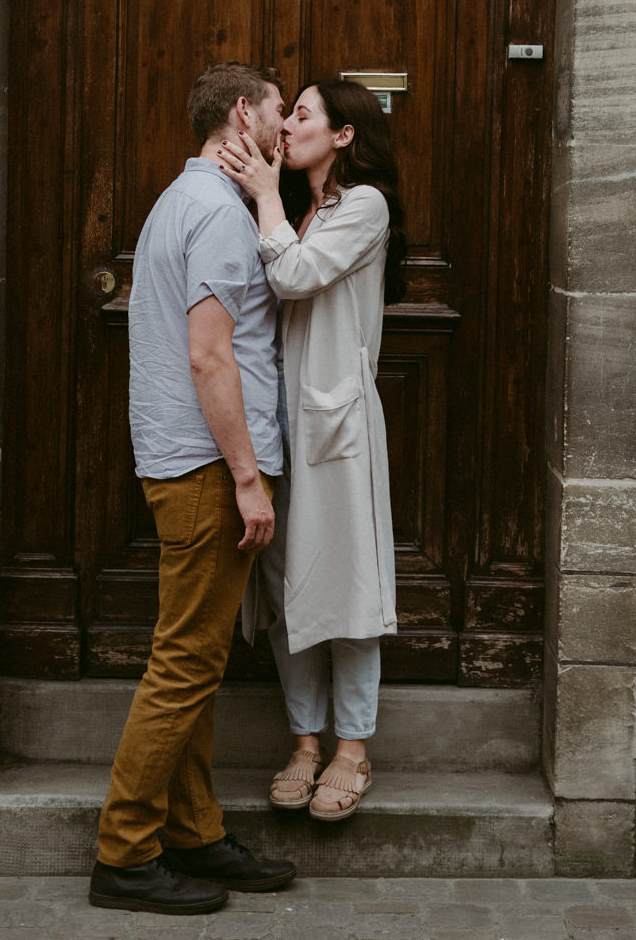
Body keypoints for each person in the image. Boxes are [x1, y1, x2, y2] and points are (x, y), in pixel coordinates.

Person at [87, 61, 300, 916]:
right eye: (279, 114)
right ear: (241, 115)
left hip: (183, 460)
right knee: (183, 663)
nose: (286, 132)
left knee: (199, 659)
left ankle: (194, 829)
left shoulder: (181, 200)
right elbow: (211, 353)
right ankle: (125, 849)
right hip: (209, 469)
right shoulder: (216, 211)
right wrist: (248, 478)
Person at [217, 79, 408, 823]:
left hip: (337, 429)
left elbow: (294, 277)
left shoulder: (365, 206)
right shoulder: (311, 208)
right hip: (283, 427)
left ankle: (352, 748)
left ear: (345, 135)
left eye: (304, 114)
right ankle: (304, 742)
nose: (289, 126)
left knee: (349, 588)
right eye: (287, 113)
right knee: (288, 583)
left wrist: (263, 193)